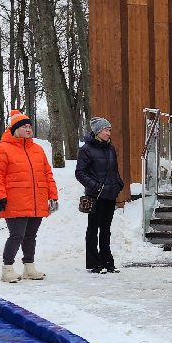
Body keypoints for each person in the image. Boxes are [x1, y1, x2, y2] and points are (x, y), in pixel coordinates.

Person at [0, 110, 58, 283]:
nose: (28, 129)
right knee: (16, 235)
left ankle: (29, 267)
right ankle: (7, 268)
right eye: (24, 126)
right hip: (14, 200)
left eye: (29, 126)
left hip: (36, 200)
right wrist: (0, 196)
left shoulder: (37, 149)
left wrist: (53, 196)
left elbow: (47, 173)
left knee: (30, 236)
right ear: (15, 129)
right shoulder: (3, 149)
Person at [76, 116, 125, 273]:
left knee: (106, 229)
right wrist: (96, 187)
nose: (108, 133)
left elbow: (114, 171)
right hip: (95, 196)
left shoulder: (111, 149)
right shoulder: (86, 150)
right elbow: (80, 173)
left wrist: (119, 183)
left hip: (110, 195)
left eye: (109, 130)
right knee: (93, 230)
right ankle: (94, 263)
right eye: (105, 130)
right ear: (97, 131)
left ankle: (107, 261)